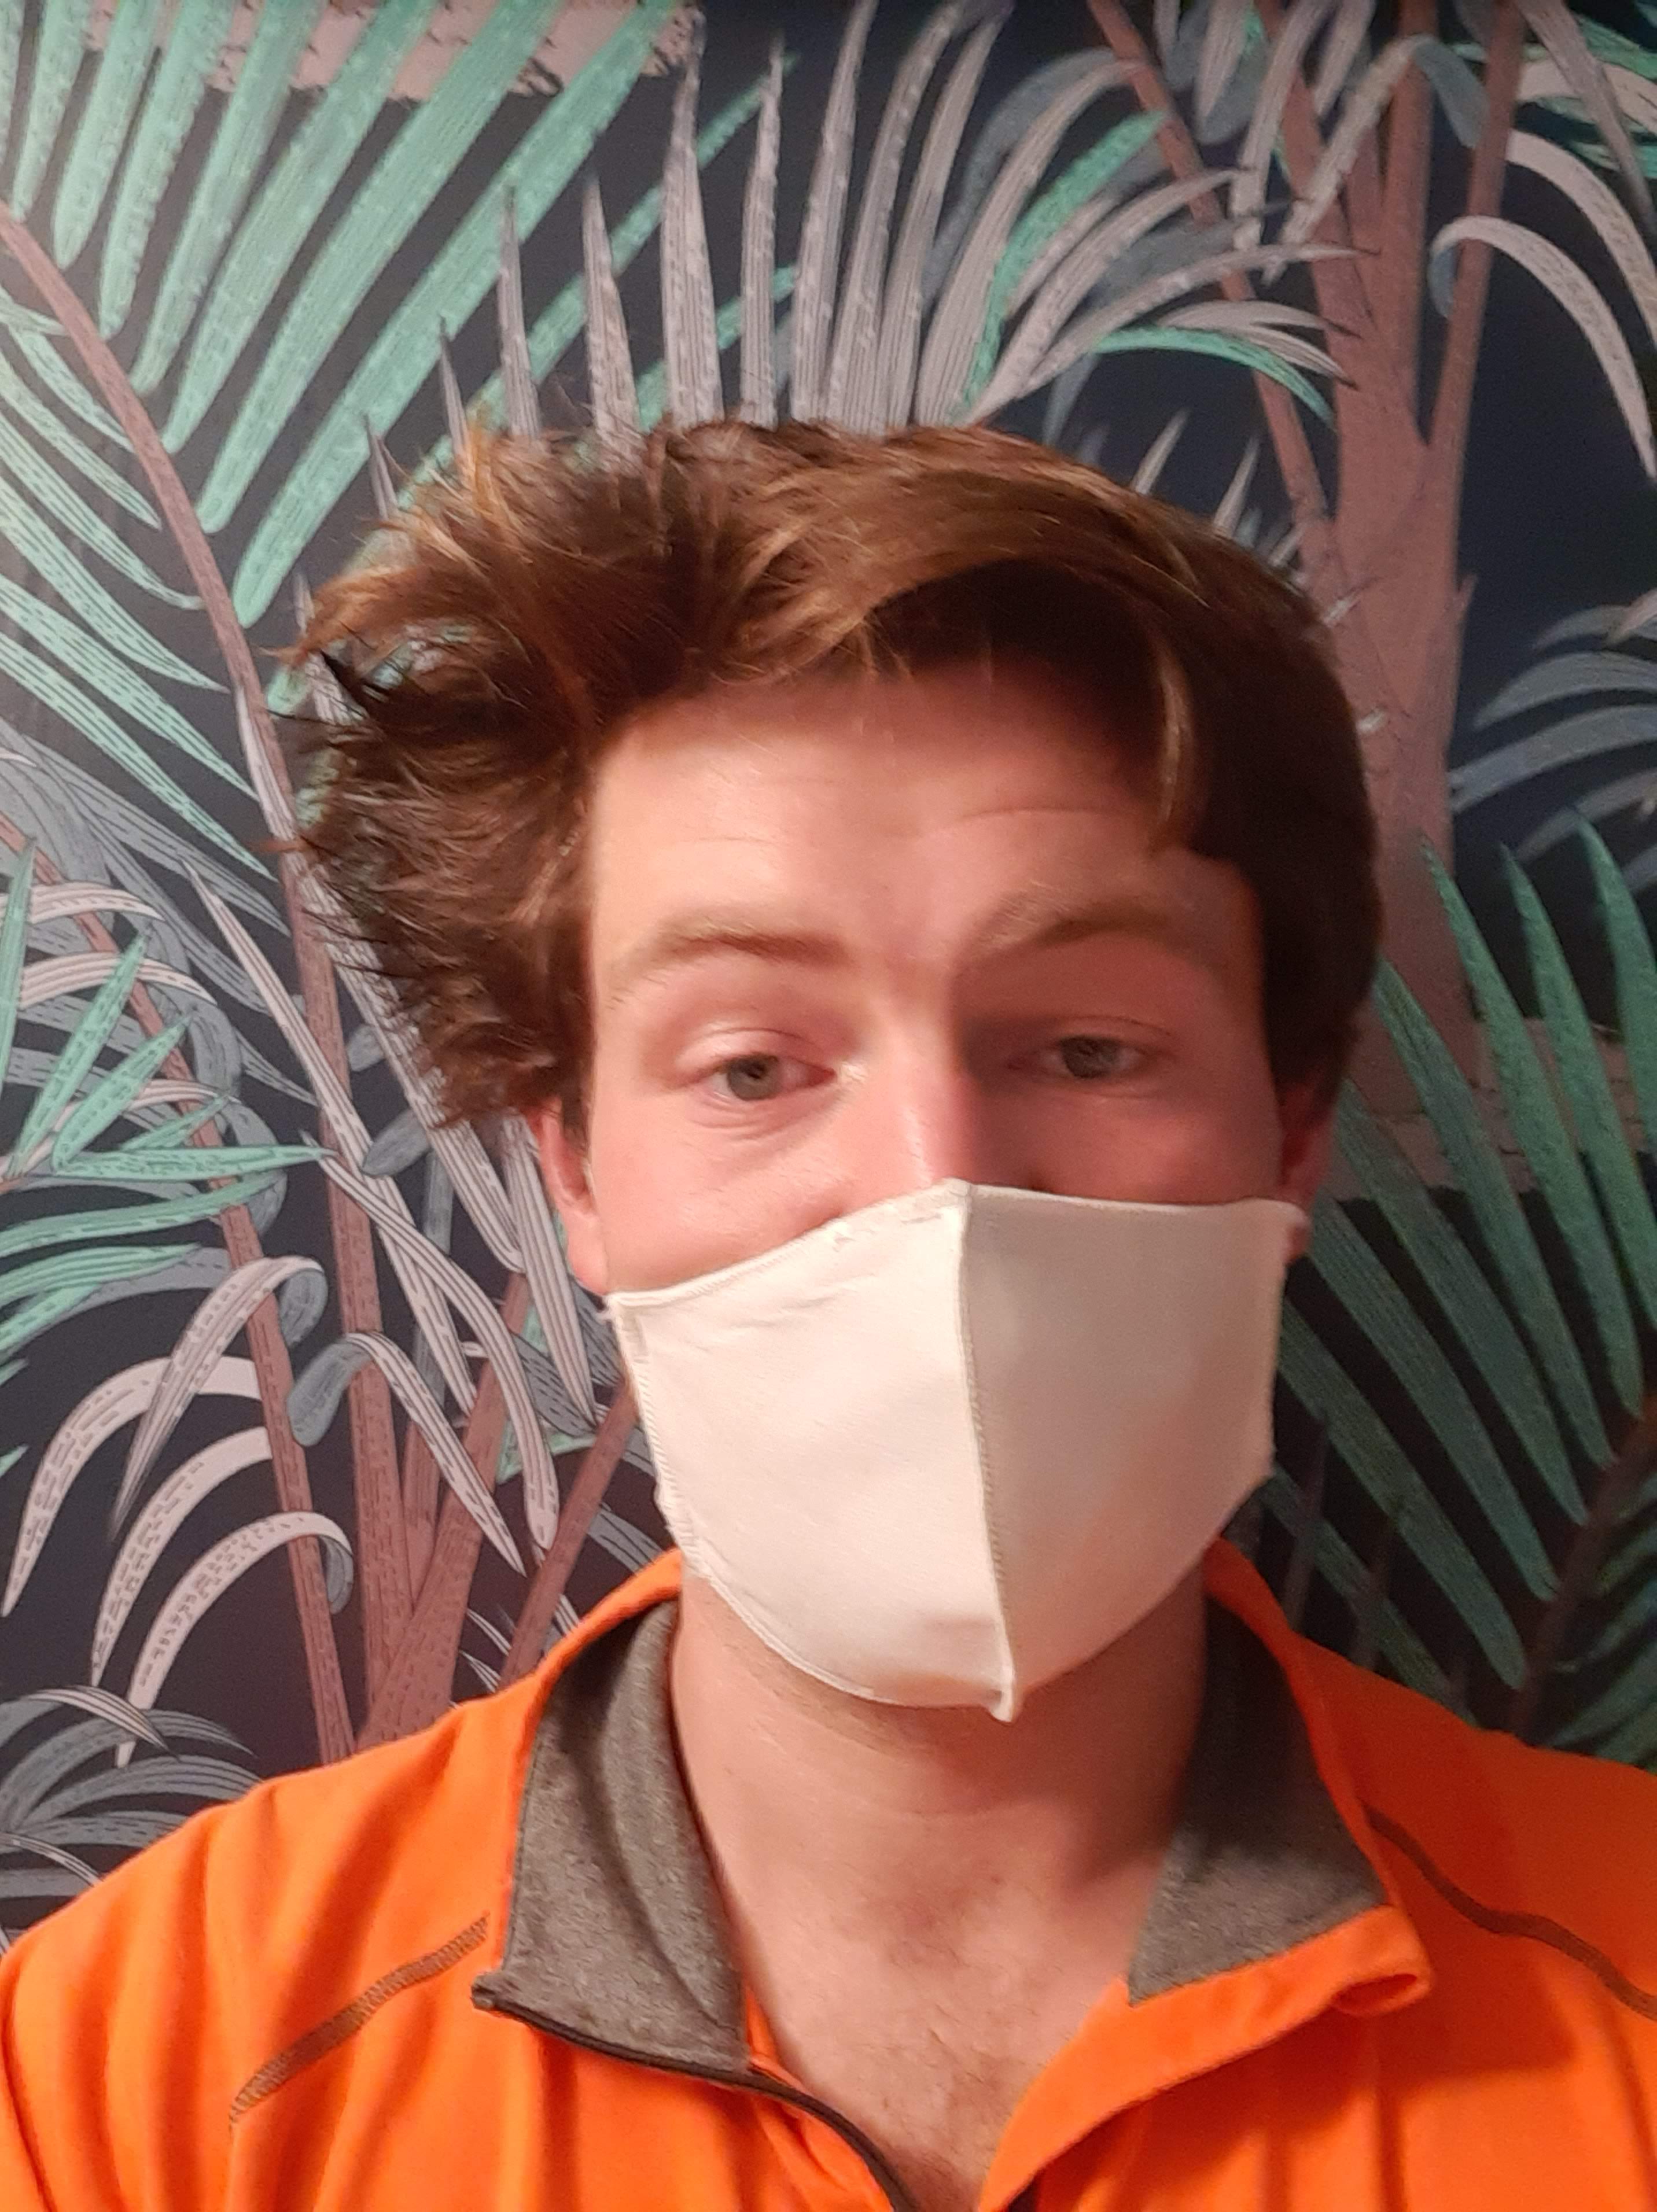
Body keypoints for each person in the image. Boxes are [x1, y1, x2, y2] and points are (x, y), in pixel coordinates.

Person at [1, 419, 1654, 2212]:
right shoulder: (131, 2079)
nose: (932, 1186)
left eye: (1090, 1046)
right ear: (577, 1168)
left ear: (1295, 1120)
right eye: (752, 1065)